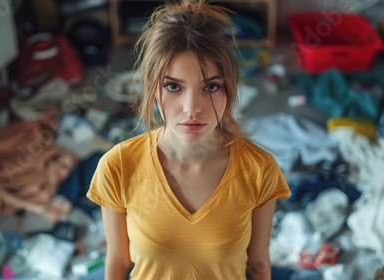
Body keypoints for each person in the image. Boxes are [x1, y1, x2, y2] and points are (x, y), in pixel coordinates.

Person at [86, 0, 290, 279]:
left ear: (229, 91)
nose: (192, 107)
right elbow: (118, 264)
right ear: (152, 89)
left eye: (211, 87)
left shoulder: (259, 169)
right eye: (173, 86)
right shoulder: (118, 166)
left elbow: (258, 263)